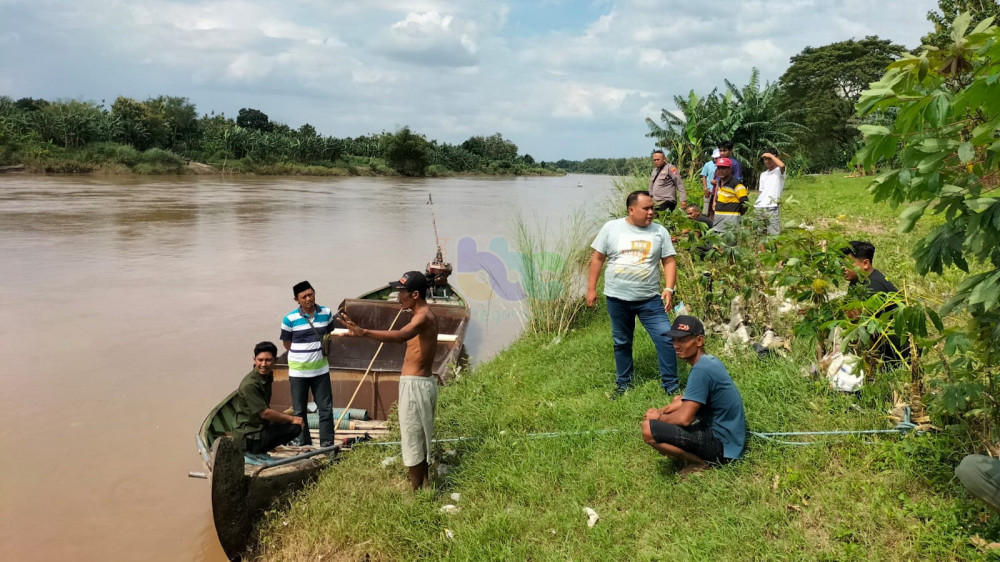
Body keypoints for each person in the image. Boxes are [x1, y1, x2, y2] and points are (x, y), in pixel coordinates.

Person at [340, 271, 439, 491]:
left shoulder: (422, 317)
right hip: (420, 383)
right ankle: (424, 485)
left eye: (401, 293)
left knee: (412, 439)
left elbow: (401, 336)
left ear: (415, 294)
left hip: (415, 385)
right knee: (419, 437)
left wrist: (364, 332)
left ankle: (415, 493)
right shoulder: (421, 314)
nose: (397, 297)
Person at [586, 190, 679, 397]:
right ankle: (623, 384)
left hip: (650, 300)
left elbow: (669, 260)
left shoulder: (659, 231)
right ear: (631, 209)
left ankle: (671, 386)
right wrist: (591, 289)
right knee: (622, 342)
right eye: (646, 208)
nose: (651, 212)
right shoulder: (611, 228)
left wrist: (668, 288)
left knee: (665, 338)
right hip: (617, 298)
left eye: (652, 208)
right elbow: (598, 258)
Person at [641, 315, 747, 475]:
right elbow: (684, 400)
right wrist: (662, 411)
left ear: (699, 340)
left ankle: (699, 463)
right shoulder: (709, 361)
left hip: (723, 447)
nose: (676, 346)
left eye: (682, 340)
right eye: (674, 340)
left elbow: (685, 419)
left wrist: (659, 418)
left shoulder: (701, 370)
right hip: (731, 439)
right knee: (678, 399)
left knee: (648, 429)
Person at [280, 281, 336, 448]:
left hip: (321, 371)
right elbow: (287, 344)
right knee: (299, 411)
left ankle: (327, 445)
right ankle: (304, 444)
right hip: (298, 373)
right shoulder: (289, 319)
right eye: (304, 297)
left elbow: (328, 334)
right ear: (297, 300)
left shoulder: (326, 313)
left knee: (326, 409)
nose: (308, 299)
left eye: (310, 294)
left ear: (314, 293)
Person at [841, 241, 908, 366]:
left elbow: (852, 317)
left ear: (865, 264)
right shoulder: (857, 280)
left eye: (848, 264)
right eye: (842, 264)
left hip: (895, 351)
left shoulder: (874, 286)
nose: (843, 269)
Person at [232, 341, 306, 454]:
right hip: (249, 437)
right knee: (295, 426)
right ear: (254, 360)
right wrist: (292, 419)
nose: (264, 364)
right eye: (260, 360)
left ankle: (265, 446)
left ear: (275, 360)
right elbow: (265, 414)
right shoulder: (250, 384)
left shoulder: (267, 375)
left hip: (259, 426)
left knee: (292, 420)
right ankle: (256, 450)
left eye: (268, 360)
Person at [710, 157, 749, 237]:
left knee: (729, 244)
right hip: (718, 223)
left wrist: (736, 214)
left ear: (730, 169)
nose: (720, 171)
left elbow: (745, 203)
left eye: (724, 168)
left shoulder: (737, 184)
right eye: (719, 168)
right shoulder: (719, 182)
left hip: (730, 225)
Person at [754, 149, 786, 235]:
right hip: (759, 206)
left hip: (772, 206)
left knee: (774, 234)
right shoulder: (763, 174)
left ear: (776, 158)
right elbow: (761, 192)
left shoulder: (779, 171)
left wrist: (770, 155)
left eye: (769, 159)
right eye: (765, 159)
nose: (767, 161)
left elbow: (782, 165)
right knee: (760, 234)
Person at [648, 149, 687, 213]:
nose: (656, 161)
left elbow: (679, 184)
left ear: (664, 159)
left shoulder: (671, 168)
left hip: (667, 201)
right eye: (654, 160)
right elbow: (651, 185)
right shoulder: (655, 171)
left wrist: (683, 200)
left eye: (658, 159)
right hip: (656, 202)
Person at [700, 149, 720, 215]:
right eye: (714, 158)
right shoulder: (708, 164)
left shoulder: (722, 165)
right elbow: (704, 176)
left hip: (718, 191)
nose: (715, 159)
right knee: (706, 210)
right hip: (709, 190)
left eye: (717, 158)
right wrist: (705, 188)